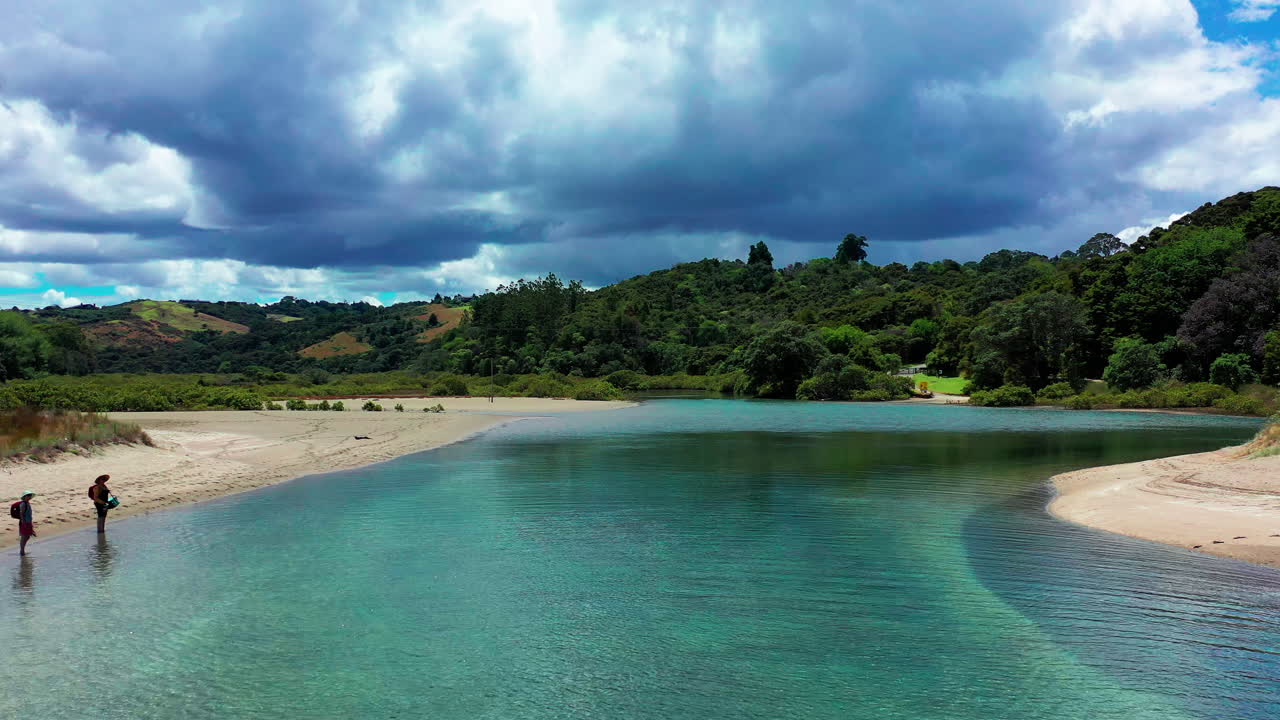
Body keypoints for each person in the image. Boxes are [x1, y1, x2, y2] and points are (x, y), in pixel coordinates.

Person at [17, 491, 36, 556]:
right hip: (24, 522)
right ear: (24, 497)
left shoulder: (27, 503)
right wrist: (23, 522)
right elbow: (21, 513)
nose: (29, 497)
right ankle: (22, 551)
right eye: (28, 495)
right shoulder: (23, 504)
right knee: (24, 536)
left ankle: (22, 550)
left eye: (30, 495)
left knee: (27, 536)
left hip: (28, 521)